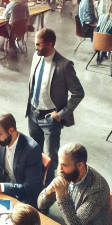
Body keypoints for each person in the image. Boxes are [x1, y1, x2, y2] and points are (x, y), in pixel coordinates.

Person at [26, 28, 85, 183]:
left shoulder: (64, 66)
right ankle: (35, 185)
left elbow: (79, 93)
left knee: (51, 159)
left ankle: (48, 193)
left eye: (39, 45)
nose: (36, 48)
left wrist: (61, 114)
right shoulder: (36, 56)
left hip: (50, 119)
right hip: (33, 114)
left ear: (50, 44)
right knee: (33, 153)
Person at [0, 113, 44, 206]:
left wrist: (0, 187)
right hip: (3, 186)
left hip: (24, 196)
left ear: (11, 130)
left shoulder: (32, 149)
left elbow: (29, 188)